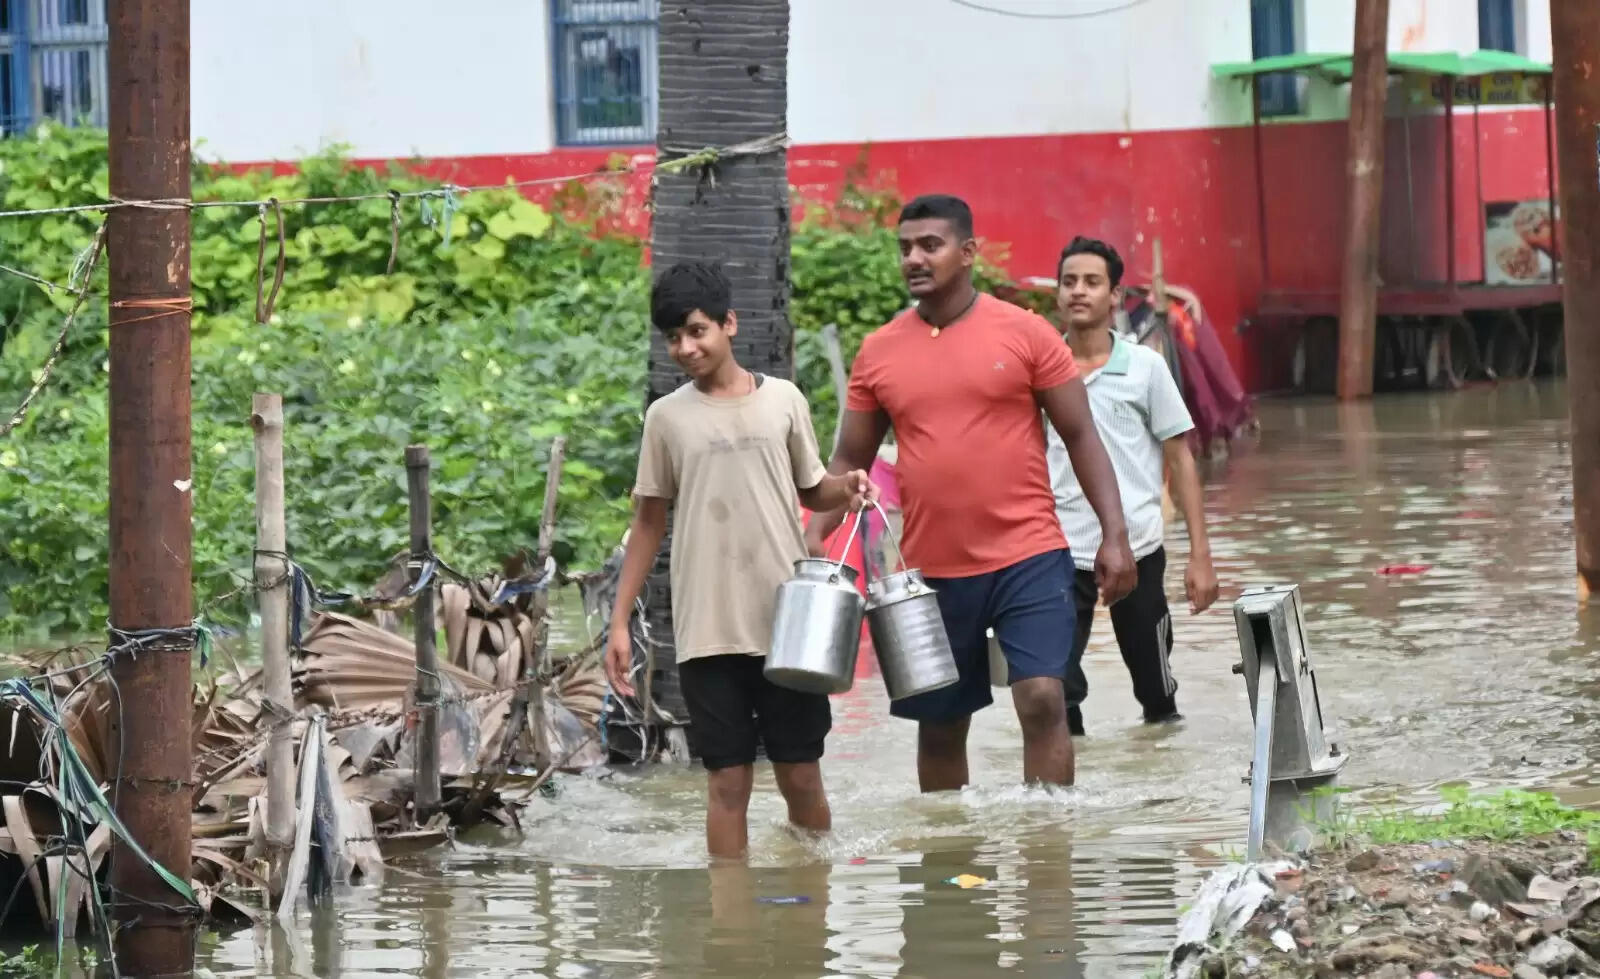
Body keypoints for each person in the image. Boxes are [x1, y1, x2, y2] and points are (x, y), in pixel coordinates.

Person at [804, 194, 1136, 793]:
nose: (914, 258)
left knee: (1040, 697)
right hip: (931, 571)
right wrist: (810, 534)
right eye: (905, 247)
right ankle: (947, 867)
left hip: (1029, 555)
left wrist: (1116, 536)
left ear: (968, 252)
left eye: (930, 245)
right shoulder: (879, 351)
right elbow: (849, 460)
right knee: (940, 723)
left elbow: (1083, 436)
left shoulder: (1027, 333)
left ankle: (1048, 851)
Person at [603, 261, 878, 860]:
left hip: (789, 625)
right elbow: (649, 522)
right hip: (708, 631)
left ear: (729, 324)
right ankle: (731, 933)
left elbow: (813, 490)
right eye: (673, 337)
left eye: (697, 330)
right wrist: (620, 622)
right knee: (727, 783)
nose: (685, 347)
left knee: (800, 774)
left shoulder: (783, 400)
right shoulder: (666, 418)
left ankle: (812, 914)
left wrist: (849, 485)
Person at [1048, 236, 1219, 736]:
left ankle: (1162, 788)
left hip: (1140, 546)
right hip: (1061, 550)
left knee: (1156, 691)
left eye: (1092, 282)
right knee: (1055, 687)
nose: (1079, 291)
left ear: (1115, 296)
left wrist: (1200, 555)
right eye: (1069, 282)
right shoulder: (1040, 370)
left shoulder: (1146, 367)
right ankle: (1068, 798)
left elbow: (1180, 460)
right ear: (1058, 294)